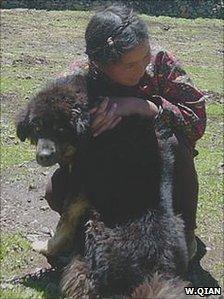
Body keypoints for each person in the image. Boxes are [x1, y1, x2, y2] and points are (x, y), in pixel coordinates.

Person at [45, 4, 206, 261]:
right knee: (56, 190)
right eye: (130, 65)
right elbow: (52, 139)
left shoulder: (161, 63)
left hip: (158, 174)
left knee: (174, 143)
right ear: (99, 62)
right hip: (105, 175)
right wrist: (84, 133)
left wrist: (145, 107)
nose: (143, 67)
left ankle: (183, 236)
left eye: (145, 56)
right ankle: (93, 234)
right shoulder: (75, 82)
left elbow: (196, 121)